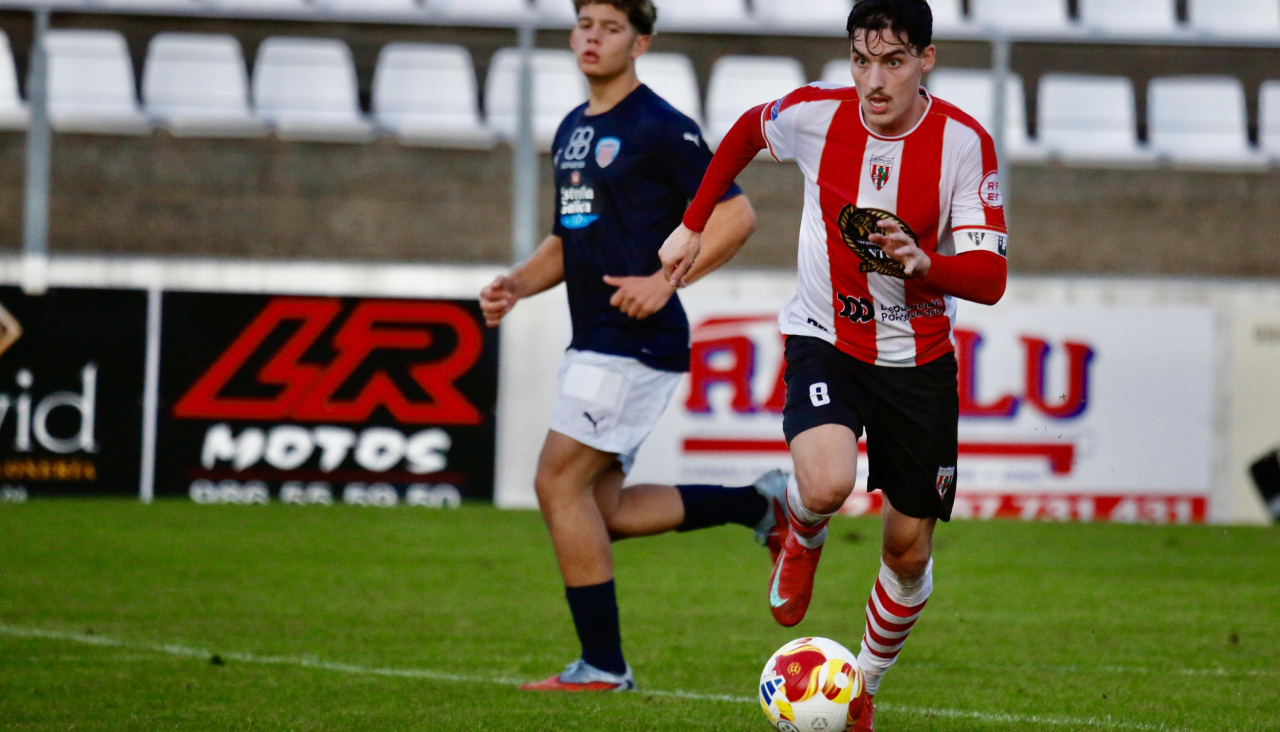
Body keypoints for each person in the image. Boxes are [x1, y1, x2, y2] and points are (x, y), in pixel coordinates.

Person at [659, 0, 1009, 727]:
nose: (874, 80)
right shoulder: (819, 115)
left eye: (893, 61)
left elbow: (990, 278)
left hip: (919, 360)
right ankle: (799, 528)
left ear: (926, 60)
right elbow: (747, 130)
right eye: (861, 59)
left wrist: (927, 263)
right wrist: (691, 224)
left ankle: (863, 689)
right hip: (827, 336)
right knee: (824, 483)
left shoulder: (964, 145)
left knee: (908, 555)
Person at [480, 0, 783, 693]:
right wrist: (515, 285)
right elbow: (568, 238)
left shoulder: (660, 126)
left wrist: (663, 281)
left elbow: (736, 215)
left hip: (635, 340)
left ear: (640, 41)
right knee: (600, 511)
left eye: (610, 27)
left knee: (557, 482)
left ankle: (604, 666)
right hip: (594, 336)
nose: (592, 37)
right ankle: (758, 505)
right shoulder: (570, 131)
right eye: (584, 24)